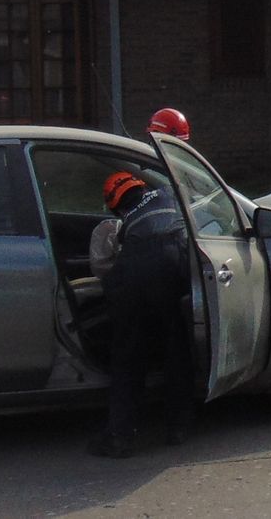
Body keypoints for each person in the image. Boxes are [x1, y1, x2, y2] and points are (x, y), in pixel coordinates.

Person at [87, 171, 195, 458]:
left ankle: (120, 437)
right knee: (177, 347)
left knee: (127, 355)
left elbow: (106, 264)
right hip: (173, 264)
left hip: (134, 272)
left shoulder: (121, 220)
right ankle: (177, 427)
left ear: (115, 203)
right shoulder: (166, 196)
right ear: (140, 186)